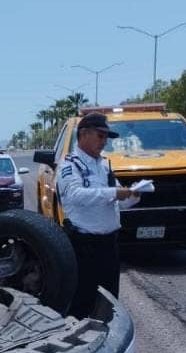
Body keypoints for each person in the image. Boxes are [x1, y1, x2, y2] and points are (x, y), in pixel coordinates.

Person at [56, 112, 140, 318]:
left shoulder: (104, 166)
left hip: (109, 244)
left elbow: (117, 203)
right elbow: (76, 196)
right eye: (100, 136)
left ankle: (108, 342)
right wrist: (113, 193)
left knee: (110, 302)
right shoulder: (70, 166)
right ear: (84, 134)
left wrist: (132, 195)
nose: (104, 142)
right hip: (84, 245)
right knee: (82, 303)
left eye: (106, 138)